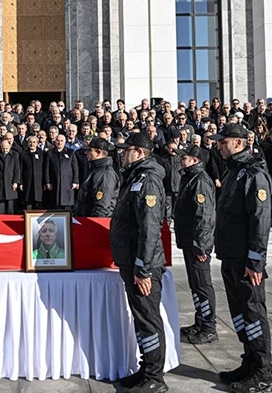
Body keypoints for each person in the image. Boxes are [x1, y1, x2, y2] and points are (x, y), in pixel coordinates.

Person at [210, 124, 272, 393]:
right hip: (231, 256)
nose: (218, 146)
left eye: (222, 142)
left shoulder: (253, 173)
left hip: (246, 261)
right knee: (240, 313)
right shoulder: (234, 171)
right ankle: (248, 361)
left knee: (253, 313)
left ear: (238, 143)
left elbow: (260, 219)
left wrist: (255, 261)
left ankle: (262, 373)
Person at [109, 132, 169, 393]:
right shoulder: (135, 177)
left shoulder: (148, 180)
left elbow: (150, 227)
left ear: (141, 152)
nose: (123, 153)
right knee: (141, 319)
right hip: (133, 261)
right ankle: (146, 369)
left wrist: (143, 268)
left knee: (148, 320)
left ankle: (155, 377)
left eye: (127, 150)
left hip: (143, 265)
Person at [173, 145, 218, 345]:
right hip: (189, 240)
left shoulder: (200, 180)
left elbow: (204, 216)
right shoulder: (189, 177)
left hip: (197, 242)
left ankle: (209, 327)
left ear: (195, 160)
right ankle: (200, 321)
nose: (181, 160)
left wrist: (201, 246)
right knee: (194, 284)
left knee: (202, 285)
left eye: (185, 157)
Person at [73, 137, 119, 217]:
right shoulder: (96, 170)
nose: (85, 153)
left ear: (98, 152)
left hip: (93, 223)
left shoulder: (105, 174)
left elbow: (102, 207)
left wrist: (94, 227)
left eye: (89, 150)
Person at [44, 134, 80, 210]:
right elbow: (47, 168)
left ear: (65, 142)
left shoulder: (71, 152)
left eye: (61, 141)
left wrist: (75, 181)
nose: (59, 142)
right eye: (58, 140)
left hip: (68, 184)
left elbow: (75, 168)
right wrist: (47, 182)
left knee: (67, 207)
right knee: (55, 204)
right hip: (54, 183)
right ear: (55, 141)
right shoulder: (50, 153)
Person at [0, 138, 21, 214]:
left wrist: (16, 182)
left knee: (10, 207)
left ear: (10, 147)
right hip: (1, 183)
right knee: (1, 207)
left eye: (6, 148)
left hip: (11, 182)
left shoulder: (15, 155)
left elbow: (17, 169)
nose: (5, 150)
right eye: (3, 148)